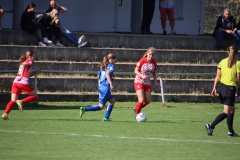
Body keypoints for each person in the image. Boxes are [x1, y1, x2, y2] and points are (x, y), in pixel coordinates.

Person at [205, 45, 240, 137]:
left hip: (222, 88)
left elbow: (217, 76)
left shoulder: (222, 62)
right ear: (236, 53)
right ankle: (211, 126)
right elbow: (238, 79)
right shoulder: (237, 63)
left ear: (227, 52)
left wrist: (214, 88)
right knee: (227, 112)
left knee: (232, 110)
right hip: (230, 89)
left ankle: (231, 131)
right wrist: (239, 88)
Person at [2, 51, 42, 120]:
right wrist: (22, 76)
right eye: (34, 56)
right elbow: (24, 67)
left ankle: (5, 114)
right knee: (35, 96)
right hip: (23, 83)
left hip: (16, 82)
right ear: (30, 56)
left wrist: (37, 71)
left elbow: (29, 74)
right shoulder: (30, 61)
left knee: (13, 100)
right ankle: (21, 101)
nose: (34, 58)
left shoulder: (23, 62)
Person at [79, 53, 117, 121]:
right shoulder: (111, 66)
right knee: (100, 106)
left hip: (101, 87)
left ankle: (106, 117)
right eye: (115, 60)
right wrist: (111, 83)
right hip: (106, 88)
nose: (115, 62)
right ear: (111, 60)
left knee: (112, 102)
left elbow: (98, 77)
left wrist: (110, 79)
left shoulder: (103, 66)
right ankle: (85, 109)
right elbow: (107, 74)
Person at [133, 47, 160, 117]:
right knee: (141, 100)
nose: (151, 56)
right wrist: (141, 75)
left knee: (147, 101)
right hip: (139, 81)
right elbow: (136, 71)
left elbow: (154, 73)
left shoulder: (154, 63)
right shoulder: (142, 60)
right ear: (147, 53)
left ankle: (136, 108)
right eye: (150, 54)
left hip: (147, 83)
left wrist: (155, 82)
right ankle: (137, 116)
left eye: (152, 55)